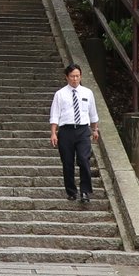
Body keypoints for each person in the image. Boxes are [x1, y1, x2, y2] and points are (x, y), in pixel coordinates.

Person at [49, 63, 99, 205]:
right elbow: (55, 114)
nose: (75, 79)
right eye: (72, 76)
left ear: (80, 76)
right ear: (67, 77)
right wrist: (54, 133)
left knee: (84, 159)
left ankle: (85, 191)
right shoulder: (60, 94)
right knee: (67, 162)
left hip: (83, 130)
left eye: (77, 76)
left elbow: (93, 113)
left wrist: (95, 129)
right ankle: (71, 191)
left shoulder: (87, 93)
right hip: (66, 131)